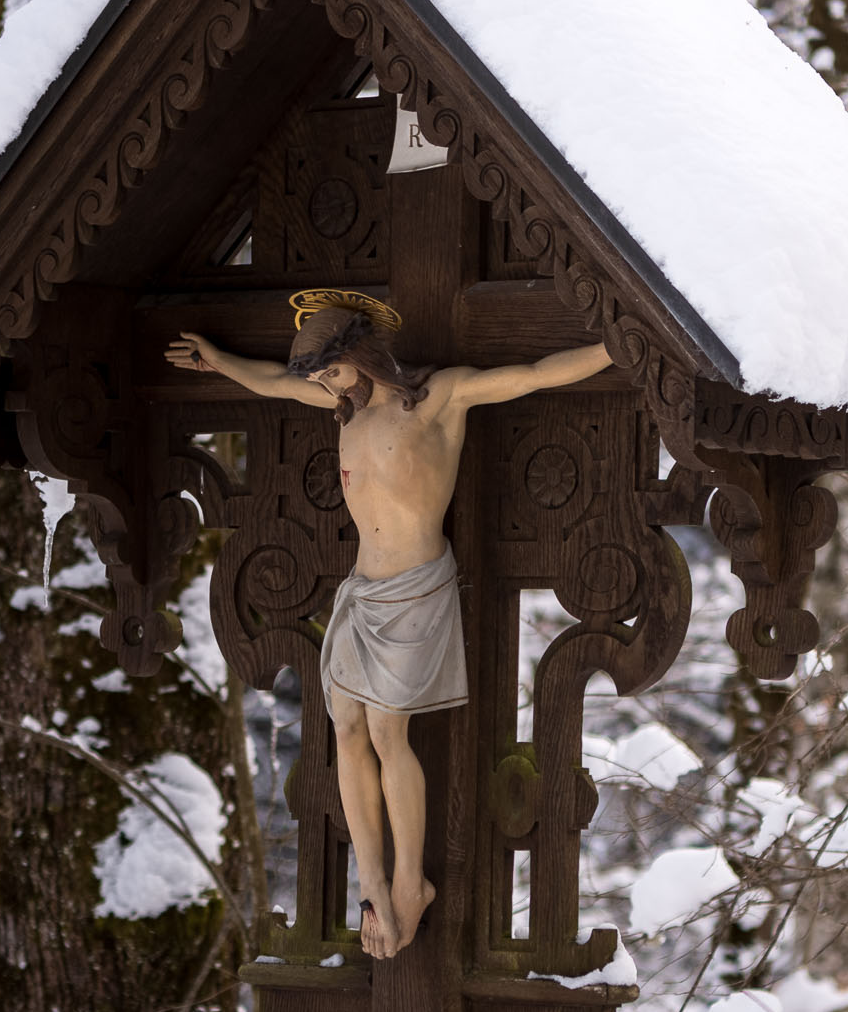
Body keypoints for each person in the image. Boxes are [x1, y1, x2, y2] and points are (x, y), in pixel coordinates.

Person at [167, 289, 612, 958]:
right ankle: (372, 879)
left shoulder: (435, 399)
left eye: (331, 371)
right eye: (319, 378)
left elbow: (534, 374)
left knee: (385, 730)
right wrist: (218, 360)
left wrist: (617, 347)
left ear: (360, 352)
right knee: (345, 728)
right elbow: (274, 383)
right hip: (361, 591)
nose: (326, 386)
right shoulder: (342, 410)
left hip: (415, 587)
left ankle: (410, 881)